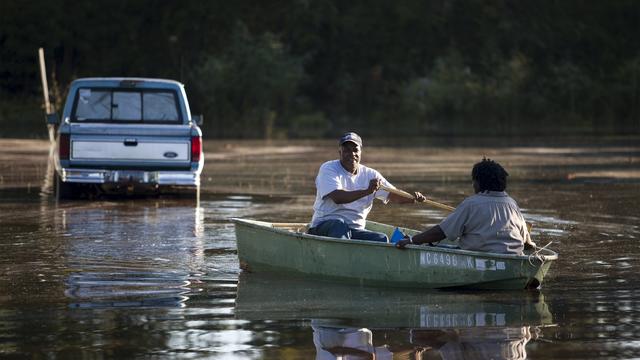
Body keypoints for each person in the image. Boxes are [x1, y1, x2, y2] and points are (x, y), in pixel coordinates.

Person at [396, 158, 535, 255]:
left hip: (482, 258)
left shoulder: (472, 203)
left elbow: (441, 232)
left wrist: (412, 240)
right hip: (514, 259)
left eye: (474, 181)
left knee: (432, 245)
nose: (473, 185)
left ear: (479, 182)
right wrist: (530, 244)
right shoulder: (512, 204)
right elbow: (528, 244)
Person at [308, 132, 426, 242]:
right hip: (324, 227)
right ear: (340, 152)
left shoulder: (371, 174)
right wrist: (367, 191)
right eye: (347, 150)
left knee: (382, 239)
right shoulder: (329, 168)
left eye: (355, 150)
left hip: (355, 230)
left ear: (360, 152)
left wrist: (413, 198)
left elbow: (393, 195)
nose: (352, 154)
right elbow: (338, 197)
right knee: (339, 225)